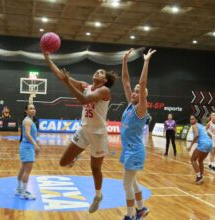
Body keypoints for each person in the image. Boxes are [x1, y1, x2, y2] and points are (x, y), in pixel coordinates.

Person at [43, 51, 117, 213]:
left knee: (95, 169)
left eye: (101, 73)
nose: (97, 73)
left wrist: (68, 83)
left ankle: (98, 196)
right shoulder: (85, 86)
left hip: (98, 134)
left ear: (104, 80)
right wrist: (47, 57)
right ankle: (76, 155)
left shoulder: (104, 91)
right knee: (63, 163)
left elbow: (83, 100)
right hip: (84, 130)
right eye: (96, 71)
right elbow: (60, 75)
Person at [120, 48, 156, 220]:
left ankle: (130, 215)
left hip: (135, 151)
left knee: (126, 183)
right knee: (132, 182)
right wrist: (124, 61)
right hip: (128, 149)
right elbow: (126, 81)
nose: (133, 92)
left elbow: (141, 85)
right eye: (133, 91)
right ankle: (141, 209)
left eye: (137, 92)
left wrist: (146, 62)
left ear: (142, 96)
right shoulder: (130, 104)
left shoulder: (141, 109)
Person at [16, 104, 40, 200]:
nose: (33, 110)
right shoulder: (27, 121)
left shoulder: (29, 120)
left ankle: (19, 189)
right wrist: (35, 145)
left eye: (34, 108)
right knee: (27, 171)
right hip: (27, 148)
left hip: (26, 147)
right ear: (26, 111)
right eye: (30, 108)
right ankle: (24, 193)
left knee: (22, 169)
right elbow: (27, 134)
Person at [187, 115, 212, 184]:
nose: (191, 121)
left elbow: (197, 135)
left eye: (192, 119)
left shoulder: (194, 126)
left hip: (203, 144)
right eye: (190, 119)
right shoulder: (201, 125)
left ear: (196, 120)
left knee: (192, 159)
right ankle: (201, 176)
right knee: (200, 160)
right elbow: (208, 134)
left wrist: (190, 146)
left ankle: (199, 176)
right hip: (210, 143)